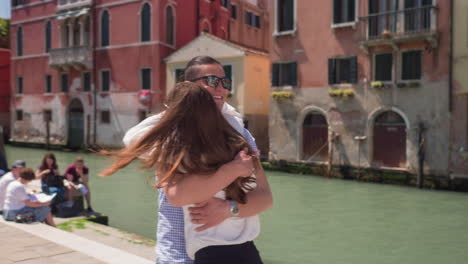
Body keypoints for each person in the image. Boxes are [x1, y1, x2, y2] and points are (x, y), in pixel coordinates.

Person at [120, 56, 272, 264]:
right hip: (177, 254)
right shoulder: (170, 134)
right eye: (211, 81)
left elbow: (265, 197)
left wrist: (229, 209)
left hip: (238, 251)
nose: (220, 88)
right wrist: (233, 169)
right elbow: (176, 195)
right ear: (188, 88)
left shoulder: (241, 134)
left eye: (225, 82)